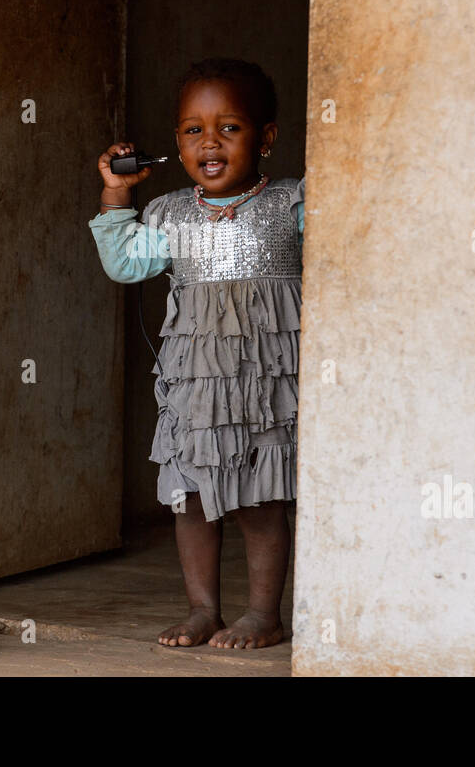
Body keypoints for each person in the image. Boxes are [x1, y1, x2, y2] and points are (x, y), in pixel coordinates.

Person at [89, 58, 304, 649]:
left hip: (263, 389)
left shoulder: (290, 205)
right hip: (194, 387)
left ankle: (264, 613)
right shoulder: (170, 213)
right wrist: (116, 195)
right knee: (191, 500)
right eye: (191, 130)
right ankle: (202, 609)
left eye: (230, 128)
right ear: (176, 145)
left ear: (266, 138)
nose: (209, 141)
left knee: (261, 500)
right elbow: (125, 263)